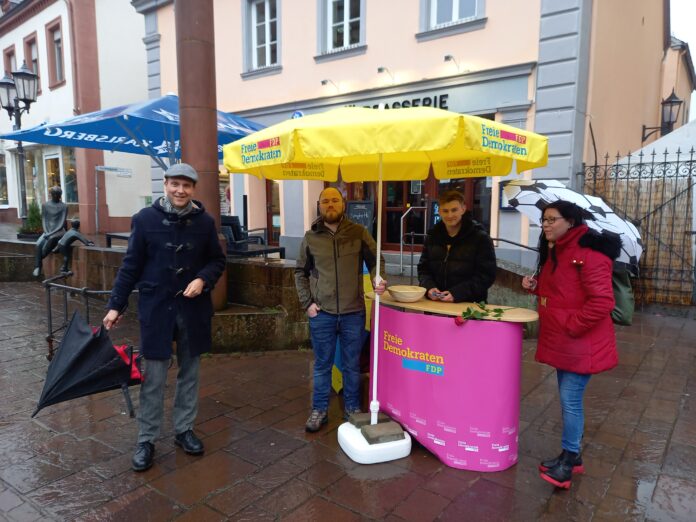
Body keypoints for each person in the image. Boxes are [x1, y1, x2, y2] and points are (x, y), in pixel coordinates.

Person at [102, 163, 226, 472]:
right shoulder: (144, 220)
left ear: (193, 189)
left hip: (193, 310)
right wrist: (116, 305)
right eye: (175, 184)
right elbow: (130, 266)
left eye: (187, 185)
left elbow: (217, 260)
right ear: (166, 184)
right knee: (154, 376)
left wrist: (203, 280)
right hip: (156, 309)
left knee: (190, 373)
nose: (180, 190)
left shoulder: (205, 222)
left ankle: (184, 430)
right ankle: (147, 439)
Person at [521, 200, 620, 489]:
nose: (546, 224)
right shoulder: (558, 252)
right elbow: (561, 290)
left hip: (581, 342)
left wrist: (572, 325)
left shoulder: (589, 254)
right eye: (544, 219)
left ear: (571, 222)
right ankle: (570, 456)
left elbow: (603, 301)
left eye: (552, 219)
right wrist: (534, 286)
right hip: (566, 341)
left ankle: (570, 459)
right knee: (568, 400)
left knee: (570, 400)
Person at [295, 187, 386, 432]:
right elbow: (299, 273)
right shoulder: (311, 237)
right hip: (321, 312)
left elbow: (376, 260)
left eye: (335, 200)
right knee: (323, 365)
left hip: (352, 312)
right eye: (326, 201)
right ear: (319, 205)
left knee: (351, 365)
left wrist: (379, 278)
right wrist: (307, 304)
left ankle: (352, 409)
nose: (331, 205)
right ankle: (319, 410)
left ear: (343, 204)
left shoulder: (358, 233)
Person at [418, 190, 496, 303]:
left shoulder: (480, 237)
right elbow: (423, 269)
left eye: (454, 210)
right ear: (439, 212)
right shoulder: (432, 236)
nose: (450, 215)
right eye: (445, 211)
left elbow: (486, 276)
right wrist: (429, 287)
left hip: (468, 306)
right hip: (436, 304)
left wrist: (458, 293)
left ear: (463, 209)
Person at [32, 186, 68, 278]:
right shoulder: (45, 205)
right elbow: (44, 219)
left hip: (59, 231)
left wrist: (50, 233)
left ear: (60, 195)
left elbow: (61, 223)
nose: (56, 196)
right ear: (51, 194)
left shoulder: (64, 206)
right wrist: (46, 231)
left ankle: (39, 258)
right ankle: (38, 267)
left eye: (58, 194)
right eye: (54, 194)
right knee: (38, 244)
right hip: (48, 230)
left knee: (51, 239)